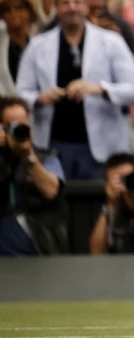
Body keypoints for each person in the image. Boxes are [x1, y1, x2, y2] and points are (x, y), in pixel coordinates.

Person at [15, 0, 134, 181]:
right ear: (56, 7)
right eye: (65, 3)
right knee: (57, 207)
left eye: (77, 2)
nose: (72, 8)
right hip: (52, 144)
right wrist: (40, 97)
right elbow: (20, 93)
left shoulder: (111, 42)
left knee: (97, 203)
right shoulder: (38, 46)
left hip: (101, 148)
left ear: (86, 5)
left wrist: (100, 89)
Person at [0, 97, 67, 257]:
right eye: (10, 127)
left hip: (37, 250)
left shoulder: (46, 157)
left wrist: (27, 156)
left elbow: (51, 190)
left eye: (22, 126)